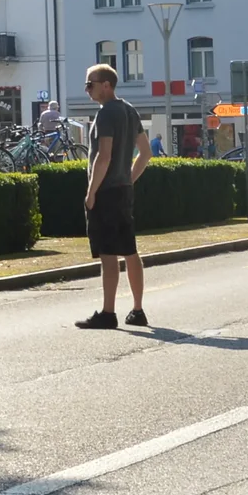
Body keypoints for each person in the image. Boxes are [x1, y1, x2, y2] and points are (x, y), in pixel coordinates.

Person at [74, 62, 152, 330]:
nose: (87, 90)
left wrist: (91, 191)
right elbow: (145, 152)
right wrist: (128, 179)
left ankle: (108, 313)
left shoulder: (106, 113)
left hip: (106, 192)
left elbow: (102, 156)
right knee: (130, 250)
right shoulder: (130, 111)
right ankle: (138, 310)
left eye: (90, 84)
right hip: (123, 191)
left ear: (106, 85)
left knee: (108, 254)